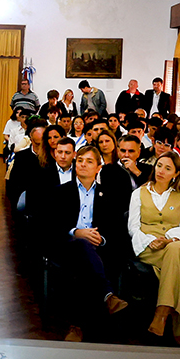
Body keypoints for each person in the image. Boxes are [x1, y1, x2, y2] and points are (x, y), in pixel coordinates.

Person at [40, 145, 129, 342]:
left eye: (89, 161)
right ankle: (107, 296)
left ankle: (77, 325)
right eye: (79, 160)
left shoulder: (108, 194)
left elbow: (116, 228)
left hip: (98, 248)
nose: (83, 164)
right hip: (66, 245)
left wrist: (101, 238)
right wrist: (76, 232)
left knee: (85, 262)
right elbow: (49, 225)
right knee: (82, 247)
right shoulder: (61, 192)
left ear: (99, 167)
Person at [128, 151, 180, 347]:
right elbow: (133, 227)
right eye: (159, 165)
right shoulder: (139, 193)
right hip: (148, 244)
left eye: (168, 168)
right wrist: (151, 240)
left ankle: (161, 314)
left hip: (176, 242)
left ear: (176, 174)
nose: (161, 171)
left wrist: (168, 240)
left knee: (176, 250)